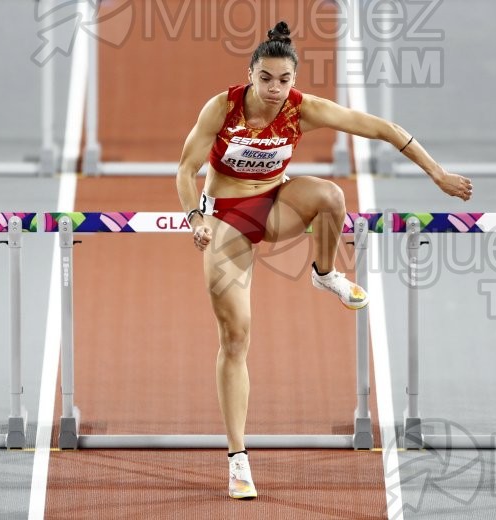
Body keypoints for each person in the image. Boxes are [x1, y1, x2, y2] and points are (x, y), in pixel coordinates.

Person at [176, 21, 472, 500]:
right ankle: (237, 459)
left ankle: (325, 272)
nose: (275, 89)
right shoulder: (222, 107)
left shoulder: (302, 110)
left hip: (275, 204)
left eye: (285, 80)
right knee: (235, 337)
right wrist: (195, 218)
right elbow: (185, 169)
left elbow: (383, 129)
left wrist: (436, 173)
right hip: (227, 216)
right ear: (250, 75)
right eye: (266, 78)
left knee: (332, 196)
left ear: (294, 79)